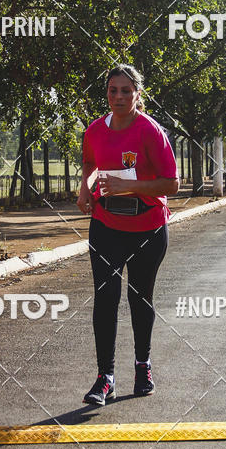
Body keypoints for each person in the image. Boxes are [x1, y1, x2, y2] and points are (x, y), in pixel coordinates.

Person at [77, 64, 179, 405]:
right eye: (112, 90)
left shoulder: (150, 131)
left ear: (137, 94)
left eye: (125, 90)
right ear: (106, 93)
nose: (118, 96)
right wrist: (85, 189)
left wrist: (129, 185)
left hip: (147, 228)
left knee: (140, 298)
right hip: (106, 226)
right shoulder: (94, 131)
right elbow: (90, 165)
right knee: (105, 299)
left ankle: (142, 366)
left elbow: (171, 183)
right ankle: (104, 377)